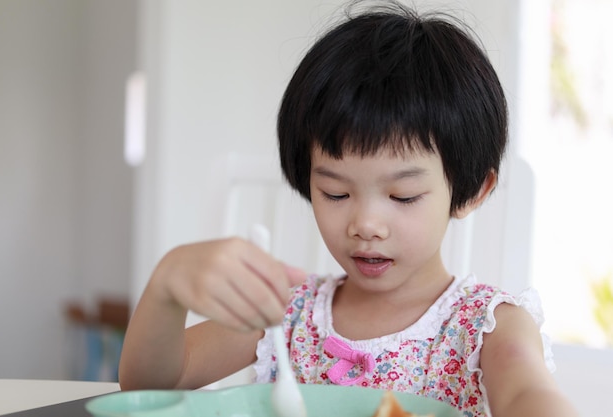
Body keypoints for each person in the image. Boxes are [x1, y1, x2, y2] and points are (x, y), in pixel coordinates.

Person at [119, 2, 579, 416]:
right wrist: (167, 286)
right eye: (336, 193)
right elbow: (151, 384)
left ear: (473, 191)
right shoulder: (289, 315)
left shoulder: (485, 327)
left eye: (403, 197)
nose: (366, 225)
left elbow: (526, 394)